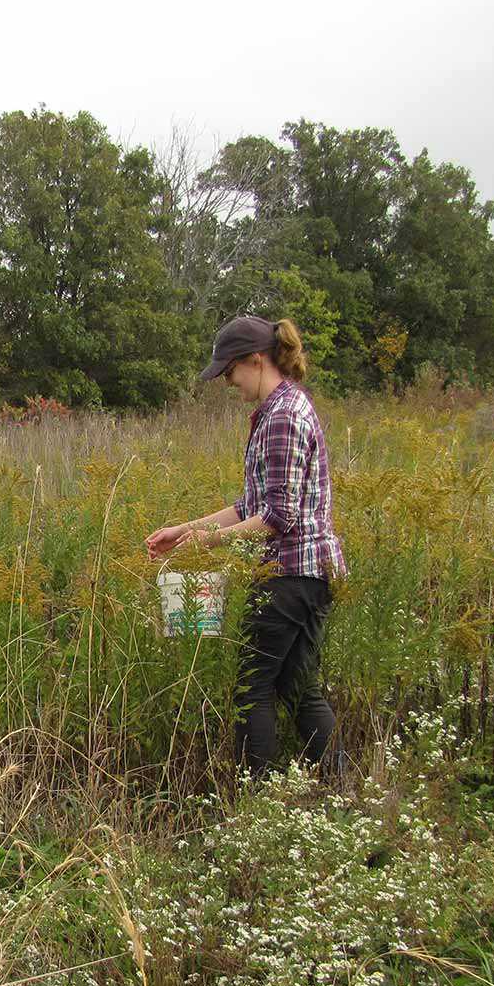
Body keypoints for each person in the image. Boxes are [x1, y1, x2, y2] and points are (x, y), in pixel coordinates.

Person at [147, 314, 346, 777]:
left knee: (252, 691)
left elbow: (279, 517)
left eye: (230, 371)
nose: (228, 382)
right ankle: (339, 787)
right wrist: (185, 528)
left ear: (256, 361)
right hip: (306, 573)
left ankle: (256, 800)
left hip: (289, 574)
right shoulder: (283, 410)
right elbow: (251, 505)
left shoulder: (283, 417)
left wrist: (208, 541)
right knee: (299, 690)